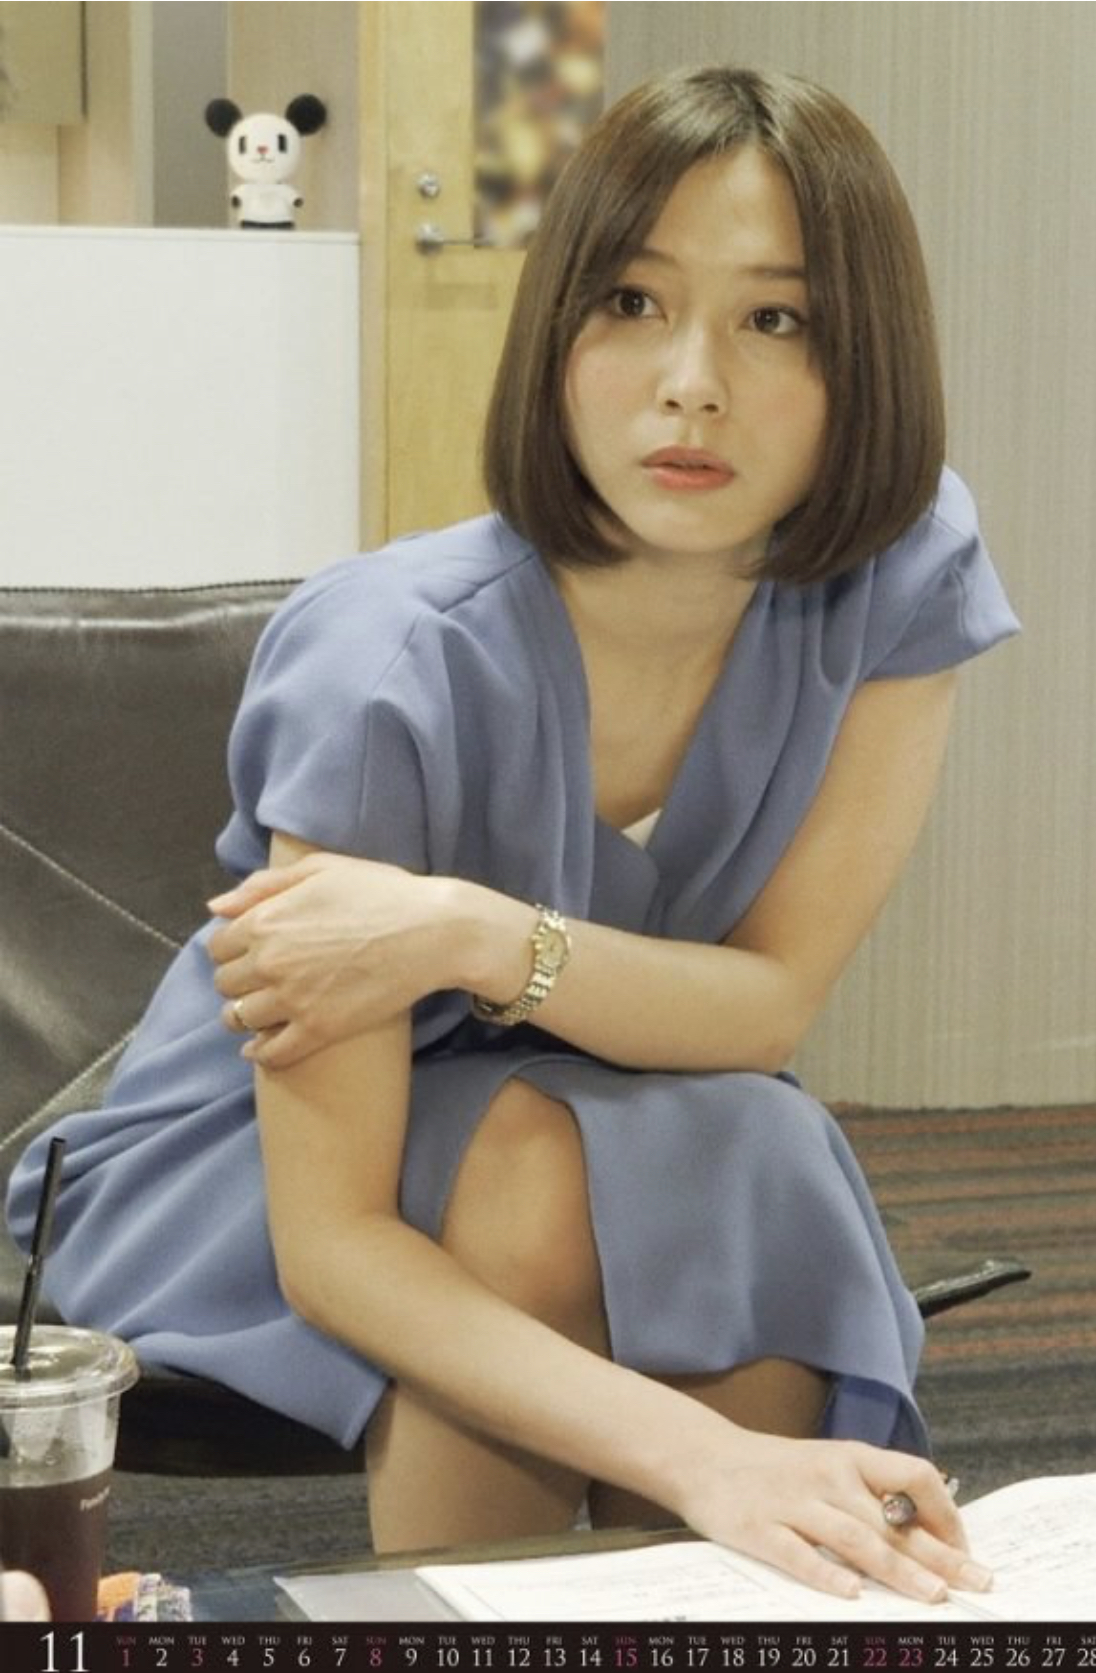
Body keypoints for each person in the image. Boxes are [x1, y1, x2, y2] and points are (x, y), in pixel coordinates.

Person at [8, 67, 1017, 1604]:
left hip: (634, 1102)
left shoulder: (902, 569)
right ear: (554, 327)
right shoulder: (387, 661)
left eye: (775, 318)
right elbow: (334, 1239)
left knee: (744, 1146)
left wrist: (470, 933)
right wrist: (707, 1455)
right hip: (250, 1175)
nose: (692, 383)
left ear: (862, 354)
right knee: (549, 1170)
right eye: (631, 301)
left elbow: (764, 1008)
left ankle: (732, 1594)